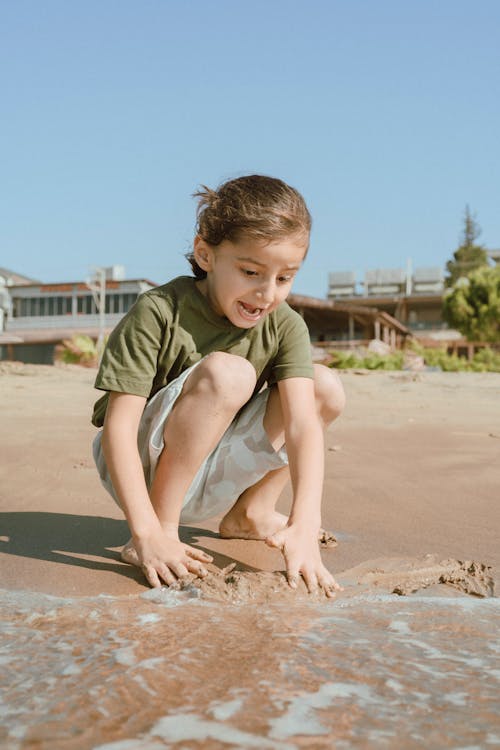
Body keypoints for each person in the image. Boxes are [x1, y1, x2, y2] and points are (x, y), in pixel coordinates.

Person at [91, 174, 345, 596]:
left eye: (284, 278)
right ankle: (163, 528)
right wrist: (146, 531)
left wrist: (306, 522)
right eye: (251, 271)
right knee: (231, 373)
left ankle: (251, 513)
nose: (266, 294)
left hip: (214, 467)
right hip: (138, 466)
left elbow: (302, 426)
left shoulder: (286, 326)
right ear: (204, 254)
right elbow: (118, 428)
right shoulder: (159, 309)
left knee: (324, 387)